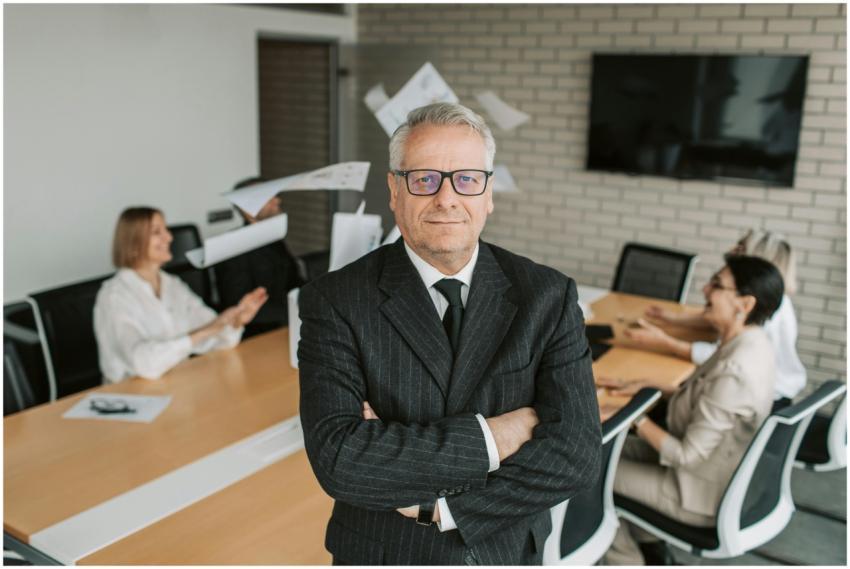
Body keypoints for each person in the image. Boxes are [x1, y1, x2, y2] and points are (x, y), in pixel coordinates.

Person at [298, 103, 602, 565]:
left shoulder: (548, 296)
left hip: (504, 552)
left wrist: (442, 508)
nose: (446, 198)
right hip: (386, 554)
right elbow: (340, 462)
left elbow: (576, 455)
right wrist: (495, 438)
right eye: (424, 179)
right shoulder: (335, 300)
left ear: (488, 193)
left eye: (466, 179)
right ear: (394, 190)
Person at [598, 255, 784, 565]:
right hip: (707, 466)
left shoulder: (734, 370)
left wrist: (633, 415)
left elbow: (686, 455)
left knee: (588, 474)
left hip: (695, 490)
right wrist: (646, 388)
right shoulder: (750, 342)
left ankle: (627, 559)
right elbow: (705, 394)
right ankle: (651, 546)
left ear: (745, 303)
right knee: (602, 450)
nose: (705, 289)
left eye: (717, 285)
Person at [623, 229, 805, 409]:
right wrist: (674, 319)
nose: (733, 249)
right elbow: (722, 320)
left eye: (741, 247)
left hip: (765, 396)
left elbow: (721, 356)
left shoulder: (766, 317)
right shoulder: (765, 301)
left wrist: (665, 342)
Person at [94, 207, 268, 382]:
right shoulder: (114, 296)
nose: (169, 237)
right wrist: (205, 331)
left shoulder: (173, 285)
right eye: (157, 232)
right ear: (133, 243)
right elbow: (143, 364)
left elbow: (216, 338)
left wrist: (237, 320)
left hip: (178, 382)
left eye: (166, 230)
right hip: (130, 395)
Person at [216, 178, 304, 338]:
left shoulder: (274, 238)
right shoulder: (231, 247)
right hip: (259, 333)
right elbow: (237, 306)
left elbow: (293, 279)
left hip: (289, 322)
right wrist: (293, 312)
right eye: (269, 197)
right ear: (248, 209)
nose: (277, 200)